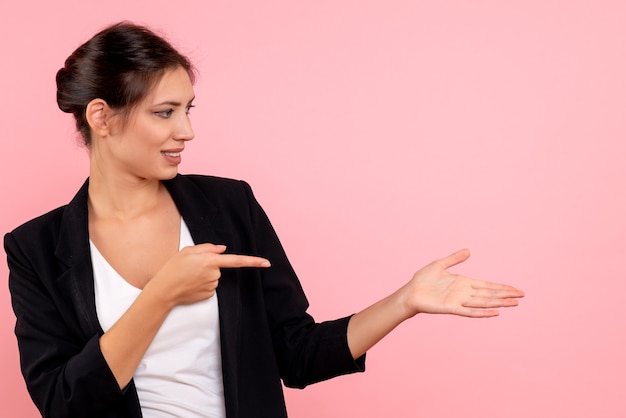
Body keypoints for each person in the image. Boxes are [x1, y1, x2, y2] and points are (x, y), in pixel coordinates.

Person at [4, 22, 524, 418]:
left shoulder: (230, 207)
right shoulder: (36, 249)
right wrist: (163, 292)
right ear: (101, 117)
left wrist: (404, 302)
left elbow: (296, 355)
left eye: (189, 108)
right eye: (165, 112)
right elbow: (64, 402)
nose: (186, 130)